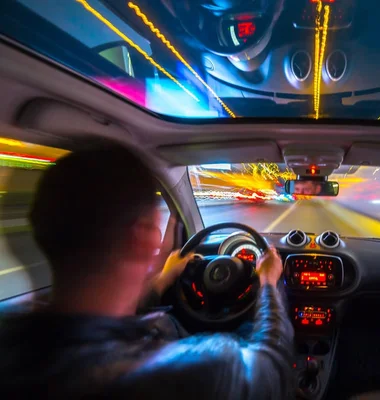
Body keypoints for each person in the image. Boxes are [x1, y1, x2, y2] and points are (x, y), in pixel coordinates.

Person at [0, 146, 294, 399]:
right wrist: (268, 283)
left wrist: (164, 279)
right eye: (156, 223)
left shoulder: (12, 342)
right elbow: (273, 368)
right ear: (144, 236)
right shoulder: (205, 368)